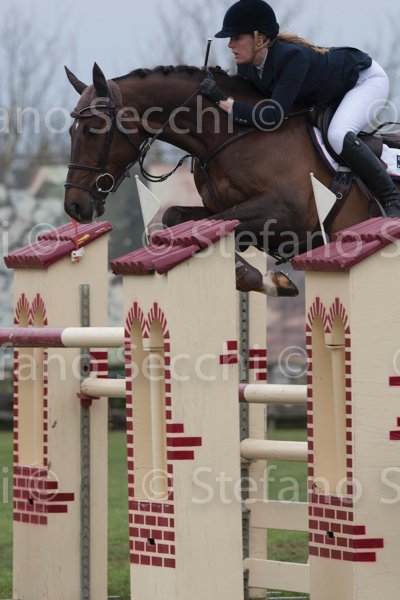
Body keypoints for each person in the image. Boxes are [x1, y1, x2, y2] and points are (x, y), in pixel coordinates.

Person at [200, 0, 400, 217]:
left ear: (259, 39)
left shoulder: (292, 58)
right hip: (330, 93)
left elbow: (272, 116)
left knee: (338, 134)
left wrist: (222, 100)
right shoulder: (247, 66)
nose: (230, 45)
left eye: (237, 37)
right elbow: (250, 108)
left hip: (364, 81)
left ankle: (392, 197)